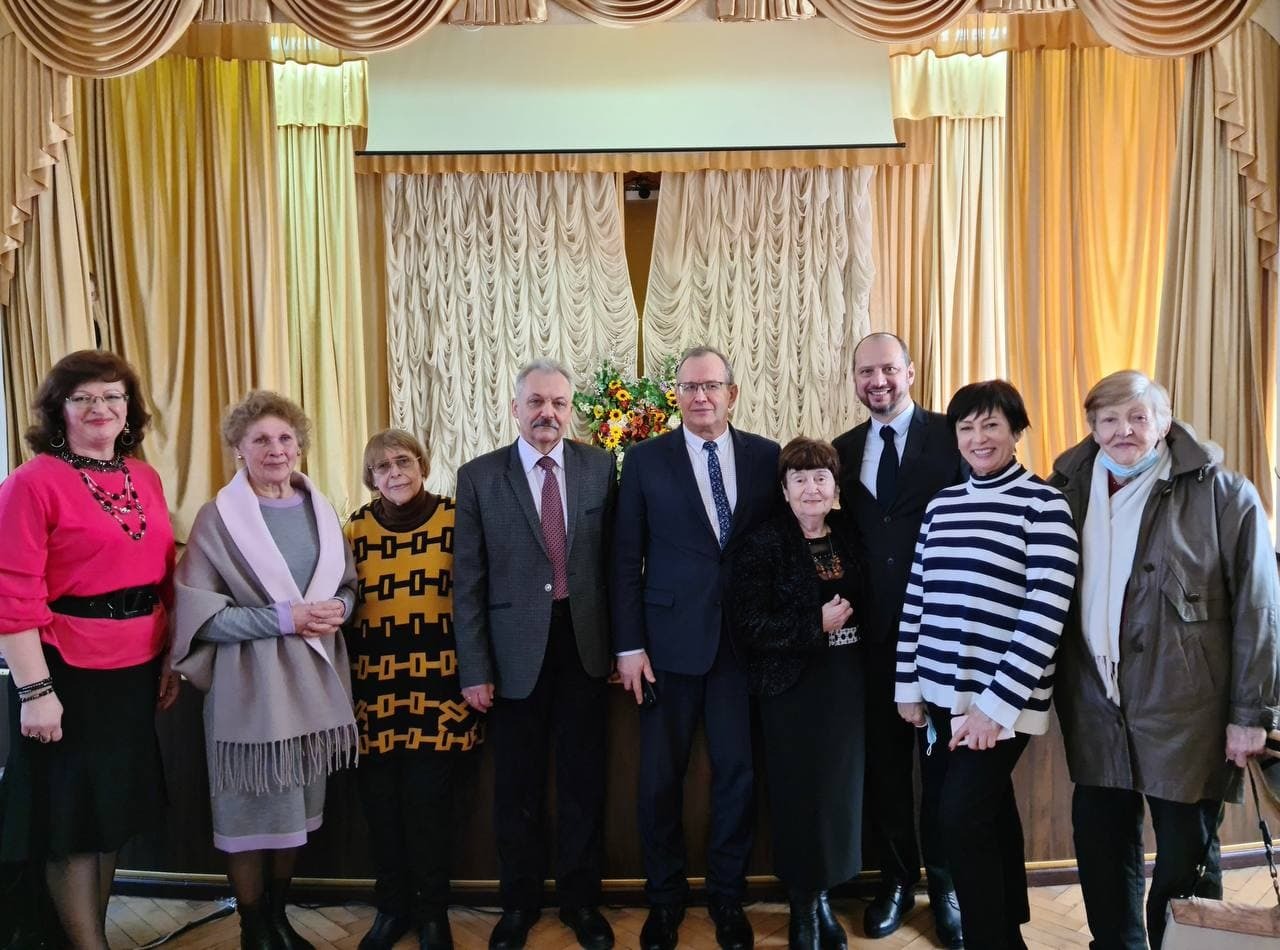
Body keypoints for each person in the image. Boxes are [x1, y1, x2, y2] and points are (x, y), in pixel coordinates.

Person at [1049, 370, 1280, 950]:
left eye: (1138, 417)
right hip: (1094, 704)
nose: (1123, 430)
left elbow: (1260, 610)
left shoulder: (1225, 495)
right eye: (1109, 419)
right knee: (1101, 845)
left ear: (1165, 422)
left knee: (1186, 854)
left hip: (1186, 709)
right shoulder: (1063, 491)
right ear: (1091, 427)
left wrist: (1251, 714)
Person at [0, 350, 178, 950]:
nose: (100, 407)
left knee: (108, 816)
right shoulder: (32, 482)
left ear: (129, 408)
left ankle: (87, 937)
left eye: (112, 396)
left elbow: (161, 575)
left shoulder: (143, 477)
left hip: (133, 670)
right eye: (83, 398)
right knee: (71, 822)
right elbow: (12, 593)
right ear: (60, 411)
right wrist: (35, 692)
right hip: (63, 673)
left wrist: (168, 658)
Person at [171, 391, 358, 950]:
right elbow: (201, 618)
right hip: (249, 689)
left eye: (284, 438)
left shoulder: (321, 510)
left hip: (314, 683)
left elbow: (347, 586)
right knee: (249, 811)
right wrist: (284, 618)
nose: (275, 449)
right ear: (239, 448)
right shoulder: (218, 519)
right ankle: (254, 928)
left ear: (300, 445)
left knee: (296, 808)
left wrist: (340, 607)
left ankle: (278, 918)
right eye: (260, 440)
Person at [895, 380, 1078, 950]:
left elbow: (1046, 614)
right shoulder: (942, 505)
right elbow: (917, 599)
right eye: (967, 427)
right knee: (989, 811)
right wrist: (908, 685)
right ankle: (1007, 931)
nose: (979, 438)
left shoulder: (1044, 506)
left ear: (1016, 431)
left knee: (960, 818)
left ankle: (987, 939)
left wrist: (994, 710)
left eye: (992, 425)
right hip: (940, 696)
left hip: (1001, 703)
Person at [612, 345, 780, 950]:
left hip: (741, 647)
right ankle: (665, 900)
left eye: (710, 386)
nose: (700, 396)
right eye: (688, 387)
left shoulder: (766, 456)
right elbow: (624, 558)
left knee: (737, 776)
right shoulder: (644, 460)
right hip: (666, 649)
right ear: (675, 396)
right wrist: (629, 646)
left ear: (732, 393)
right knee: (660, 780)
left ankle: (727, 899)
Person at [453, 359, 617, 950]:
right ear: (515, 408)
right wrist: (475, 668)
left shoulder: (600, 467)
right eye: (536, 402)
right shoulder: (478, 477)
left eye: (559, 403)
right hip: (512, 655)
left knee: (583, 783)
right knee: (516, 788)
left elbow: (615, 564)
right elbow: (467, 581)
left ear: (570, 410)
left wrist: (622, 646)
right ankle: (518, 905)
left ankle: (581, 903)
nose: (548, 413)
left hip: (585, 647)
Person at [831, 332, 964, 945]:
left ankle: (947, 886)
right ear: (854, 380)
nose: (877, 381)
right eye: (866, 372)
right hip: (873, 640)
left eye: (888, 368)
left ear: (910, 371)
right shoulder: (842, 450)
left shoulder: (954, 435)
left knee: (942, 773)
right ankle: (895, 881)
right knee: (884, 771)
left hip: (943, 634)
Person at [345, 429, 481, 950]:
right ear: (371, 477)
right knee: (381, 808)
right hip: (373, 691)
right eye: (382, 467)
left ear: (422, 464)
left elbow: (477, 596)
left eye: (403, 461)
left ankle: (432, 913)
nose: (395, 473)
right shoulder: (355, 529)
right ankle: (392, 909)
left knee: (430, 808)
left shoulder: (456, 518)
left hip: (439, 688)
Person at [729, 437, 863, 950]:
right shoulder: (764, 542)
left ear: (834, 486)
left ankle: (825, 894)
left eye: (820, 477)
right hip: (789, 690)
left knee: (837, 796)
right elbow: (748, 624)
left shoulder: (849, 533)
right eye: (799, 479)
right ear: (784, 490)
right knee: (796, 796)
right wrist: (814, 624)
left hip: (846, 688)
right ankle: (804, 904)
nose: (811, 488)